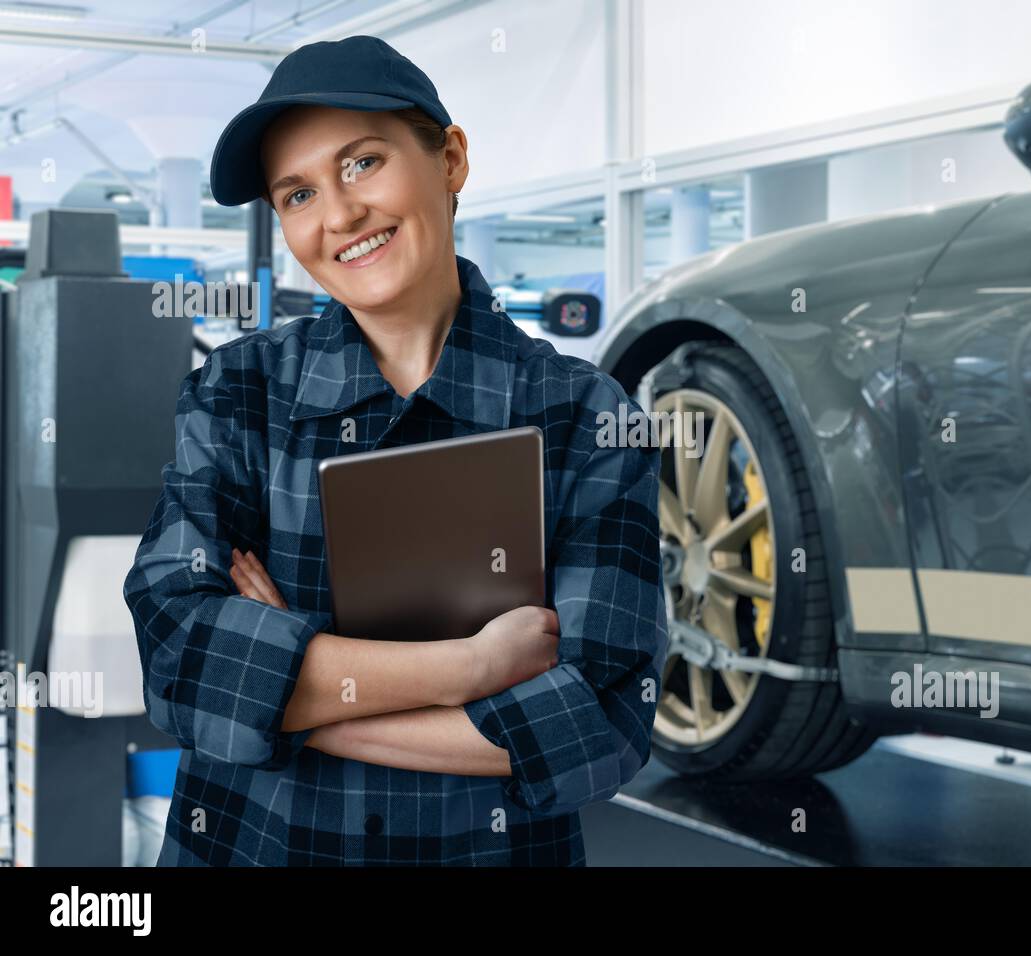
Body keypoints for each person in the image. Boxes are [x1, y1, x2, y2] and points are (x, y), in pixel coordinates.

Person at [122, 35, 668, 866]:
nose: (337, 216)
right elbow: (179, 661)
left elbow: (596, 729)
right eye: (297, 193)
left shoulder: (587, 418)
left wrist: (283, 690)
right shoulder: (238, 395)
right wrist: (469, 667)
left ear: (449, 158)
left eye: (363, 163)